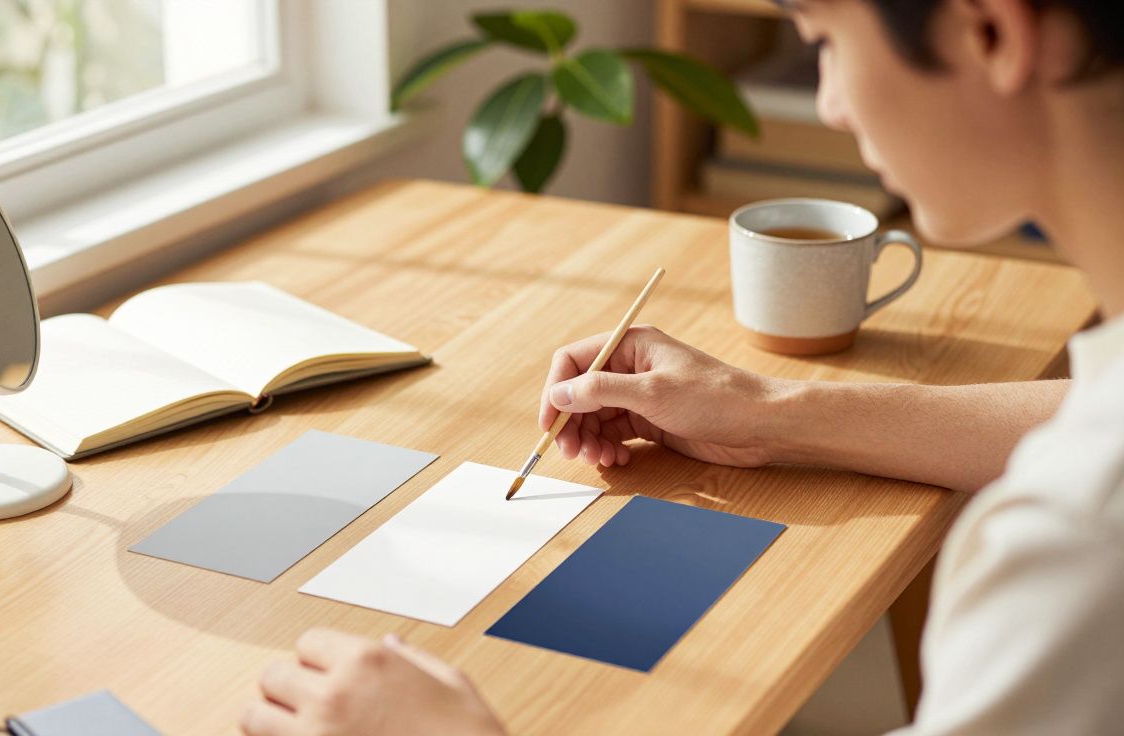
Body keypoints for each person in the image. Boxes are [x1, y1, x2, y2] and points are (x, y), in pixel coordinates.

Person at [240, 0, 1124, 733]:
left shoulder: (1072, 545)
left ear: (989, 31)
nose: (829, 106)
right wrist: (768, 410)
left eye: (824, 39)